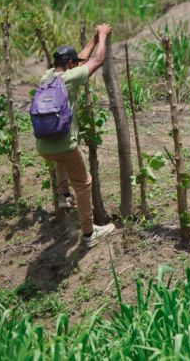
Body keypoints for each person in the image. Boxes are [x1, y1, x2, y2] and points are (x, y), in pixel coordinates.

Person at [35, 24, 116, 248]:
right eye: (74, 63)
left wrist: (90, 40)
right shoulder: (70, 79)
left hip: (43, 146)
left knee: (59, 158)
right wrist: (102, 36)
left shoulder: (47, 76)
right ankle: (90, 234)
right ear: (70, 66)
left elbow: (79, 58)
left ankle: (62, 195)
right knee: (83, 184)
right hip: (64, 147)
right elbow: (96, 61)